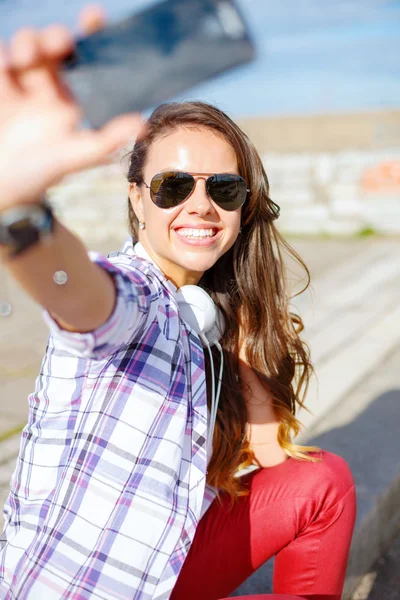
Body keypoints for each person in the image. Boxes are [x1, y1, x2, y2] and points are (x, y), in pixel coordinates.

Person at [0, 7, 356, 600]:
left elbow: (270, 450)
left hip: (159, 572)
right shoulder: (136, 296)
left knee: (322, 481)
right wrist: (19, 209)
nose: (201, 206)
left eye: (224, 189)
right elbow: (83, 298)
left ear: (244, 207)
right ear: (137, 198)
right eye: (173, 186)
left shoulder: (201, 311)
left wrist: (239, 335)